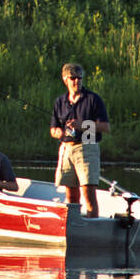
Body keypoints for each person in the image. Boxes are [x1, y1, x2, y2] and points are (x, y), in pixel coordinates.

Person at [49, 62, 110, 217]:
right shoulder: (60, 101)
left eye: (80, 78)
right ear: (65, 79)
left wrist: (81, 125)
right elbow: (53, 129)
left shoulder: (93, 99)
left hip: (87, 147)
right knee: (70, 195)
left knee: (89, 194)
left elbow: (105, 127)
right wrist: (58, 132)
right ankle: (73, 225)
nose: (77, 81)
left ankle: (93, 227)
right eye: (73, 78)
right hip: (66, 149)